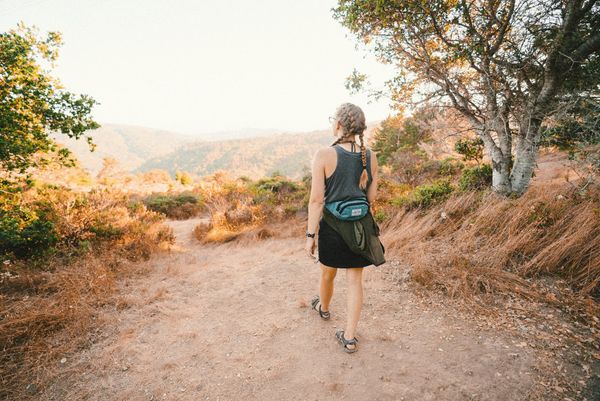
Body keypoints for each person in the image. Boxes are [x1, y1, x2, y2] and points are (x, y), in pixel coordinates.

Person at [305, 102, 379, 353]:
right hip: (359, 228)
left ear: (338, 124)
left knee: (328, 272)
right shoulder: (369, 156)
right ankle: (349, 337)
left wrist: (310, 235)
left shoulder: (324, 155)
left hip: (333, 228)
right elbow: (371, 198)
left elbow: (316, 200)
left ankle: (323, 309)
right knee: (355, 282)